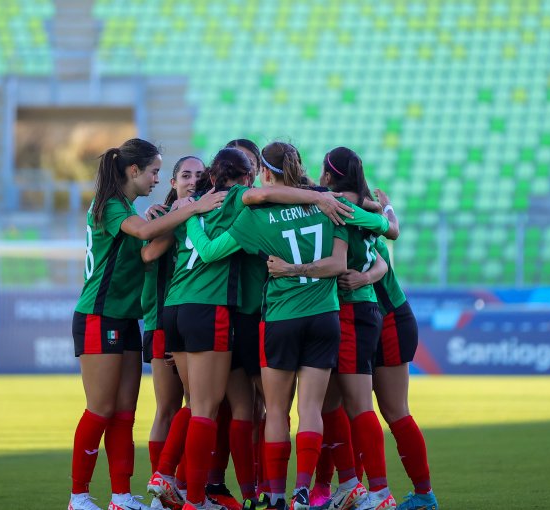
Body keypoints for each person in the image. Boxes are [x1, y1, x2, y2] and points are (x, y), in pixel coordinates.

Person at [184, 141, 393, 510]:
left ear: (264, 172)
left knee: (277, 410)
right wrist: (383, 211)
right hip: (325, 315)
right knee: (312, 408)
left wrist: (191, 218)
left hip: (280, 318)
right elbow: (379, 226)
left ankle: (276, 496)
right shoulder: (328, 204)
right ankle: (302, 492)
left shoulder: (257, 214)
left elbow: (212, 251)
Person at [68, 138, 226, 510]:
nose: (158, 178)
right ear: (133, 170)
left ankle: (122, 497)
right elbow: (142, 235)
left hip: (124, 317)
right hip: (98, 314)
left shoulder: (128, 206)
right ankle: (78, 496)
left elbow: (147, 242)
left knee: (125, 412)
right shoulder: (109, 205)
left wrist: (169, 214)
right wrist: (192, 208)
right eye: (155, 171)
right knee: (100, 409)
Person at [313, 147, 400, 510]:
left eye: (322, 173)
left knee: (358, 403)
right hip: (358, 307)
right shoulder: (364, 208)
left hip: (351, 309)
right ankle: (349, 483)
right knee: (329, 401)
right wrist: (386, 206)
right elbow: (391, 234)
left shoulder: (337, 205)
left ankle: (378, 491)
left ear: (331, 176)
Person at [335, 237, 439, 510]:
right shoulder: (356, 224)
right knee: (352, 407)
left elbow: (381, 262)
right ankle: (356, 489)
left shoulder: (361, 228)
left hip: (389, 321)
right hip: (370, 321)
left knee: (394, 410)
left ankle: (422, 494)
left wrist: (364, 278)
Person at [141, 156, 206, 495]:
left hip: (189, 320)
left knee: (197, 406)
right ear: (172, 182)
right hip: (162, 323)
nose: (192, 180)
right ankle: (161, 483)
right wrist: (180, 216)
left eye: (199, 175)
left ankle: (177, 484)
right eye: (185, 175)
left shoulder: (204, 215)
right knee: (169, 407)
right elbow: (148, 255)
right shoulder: (161, 218)